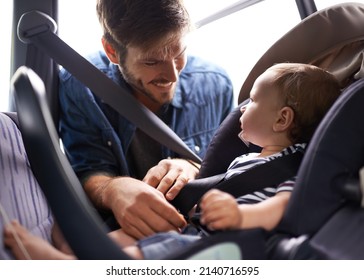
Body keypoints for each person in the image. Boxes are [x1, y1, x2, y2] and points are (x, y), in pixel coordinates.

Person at [4, 63, 341, 260]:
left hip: (223, 242)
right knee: (125, 237)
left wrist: (242, 214)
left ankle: (62, 265)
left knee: (149, 253)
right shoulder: (248, 157)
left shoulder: (294, 164)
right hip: (195, 226)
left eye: (252, 101)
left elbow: (285, 204)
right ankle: (79, 249)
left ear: (282, 120)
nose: (241, 108)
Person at [59, 0, 233, 239]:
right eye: (152, 61)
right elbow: (88, 168)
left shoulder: (216, 85)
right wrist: (112, 189)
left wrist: (193, 166)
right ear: (112, 51)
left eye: (179, 53)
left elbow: (236, 165)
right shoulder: (80, 87)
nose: (172, 75)